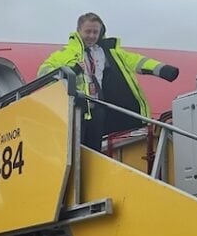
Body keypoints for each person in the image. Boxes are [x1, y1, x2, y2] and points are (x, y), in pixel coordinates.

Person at [38, 12, 179, 151]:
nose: (92, 36)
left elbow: (135, 60)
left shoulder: (105, 52)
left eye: (95, 32)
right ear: (78, 31)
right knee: (75, 151)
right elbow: (43, 75)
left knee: (94, 152)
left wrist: (162, 69)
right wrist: (71, 71)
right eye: (88, 31)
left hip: (98, 110)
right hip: (77, 110)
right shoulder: (64, 54)